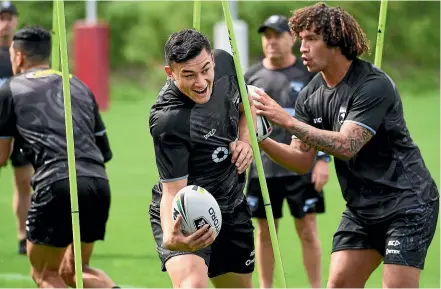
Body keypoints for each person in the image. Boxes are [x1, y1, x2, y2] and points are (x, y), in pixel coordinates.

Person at [252, 3, 439, 288]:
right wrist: (261, 140)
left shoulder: (372, 85)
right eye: (301, 39)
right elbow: (301, 160)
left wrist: (287, 122)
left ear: (336, 43)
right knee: (338, 284)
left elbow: (348, 144)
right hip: (361, 210)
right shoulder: (310, 94)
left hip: (407, 203)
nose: (303, 47)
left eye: (311, 39)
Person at [0, 26, 119, 288]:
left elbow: (1, 157)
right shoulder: (78, 84)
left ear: (18, 57)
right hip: (97, 183)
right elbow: (104, 150)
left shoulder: (11, 89)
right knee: (75, 271)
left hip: (56, 184)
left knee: (44, 273)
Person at [149, 28, 257, 288]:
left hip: (232, 206)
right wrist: (170, 236)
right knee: (192, 285)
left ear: (213, 60)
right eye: (188, 75)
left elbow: (247, 106)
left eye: (205, 70)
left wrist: (244, 140)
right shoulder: (168, 119)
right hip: (188, 213)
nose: (200, 82)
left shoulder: (227, 63)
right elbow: (172, 190)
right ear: (170, 73)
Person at [245, 15, 330, 288]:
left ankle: (316, 286)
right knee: (265, 231)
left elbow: (322, 120)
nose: (271, 41)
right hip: (262, 169)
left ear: (292, 39)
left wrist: (322, 160)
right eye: (267, 35)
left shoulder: (309, 75)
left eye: (278, 35)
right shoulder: (250, 77)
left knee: (307, 229)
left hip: (301, 167)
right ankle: (266, 287)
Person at [0, 1, 31, 255]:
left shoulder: (23, 54)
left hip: (20, 129)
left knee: (24, 182)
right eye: (0, 17)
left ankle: (23, 235)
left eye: (9, 17)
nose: (5, 23)